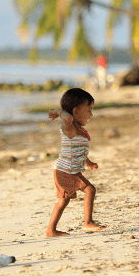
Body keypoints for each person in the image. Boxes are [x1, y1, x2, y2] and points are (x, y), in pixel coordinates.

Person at [45, 87, 106, 237]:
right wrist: (57, 111)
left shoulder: (78, 130)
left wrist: (89, 163)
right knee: (76, 195)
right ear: (76, 111)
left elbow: (79, 153)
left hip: (71, 171)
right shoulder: (70, 127)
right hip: (65, 171)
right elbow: (67, 118)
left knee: (66, 200)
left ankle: (52, 230)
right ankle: (86, 223)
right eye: (89, 110)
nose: (91, 114)